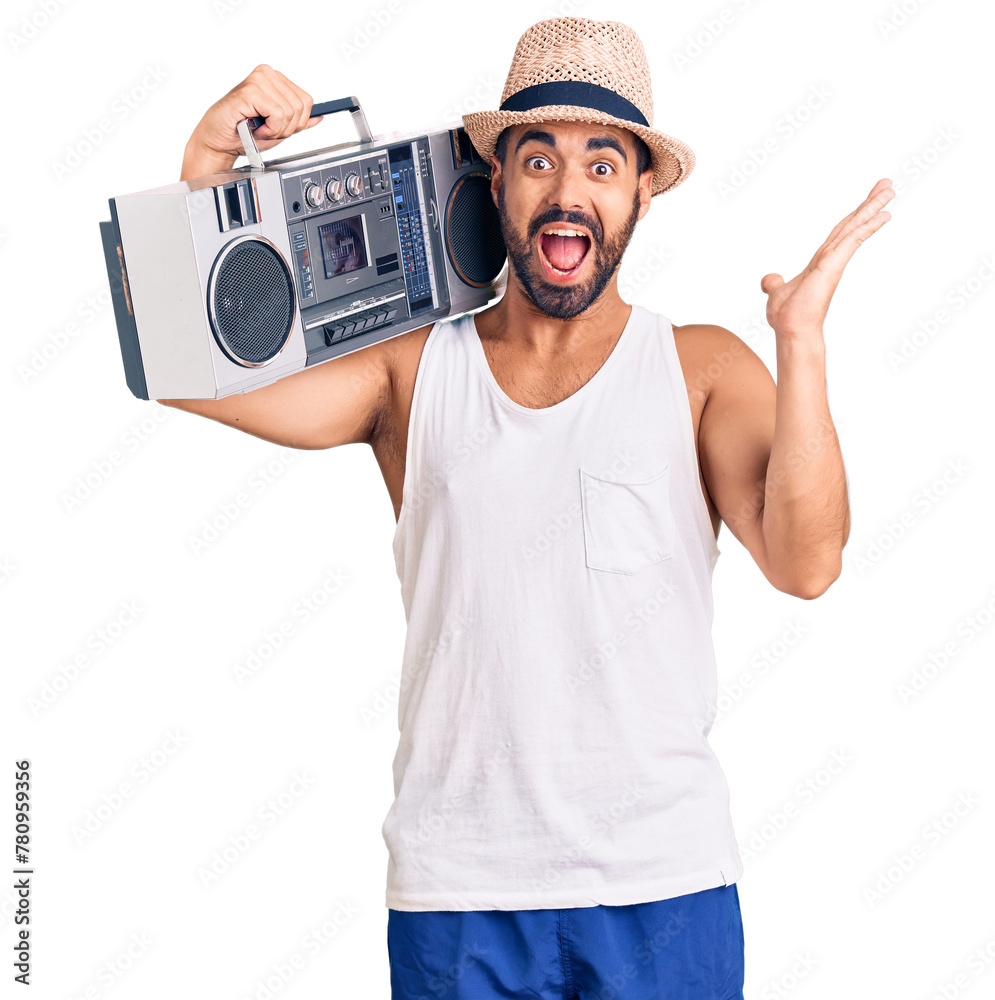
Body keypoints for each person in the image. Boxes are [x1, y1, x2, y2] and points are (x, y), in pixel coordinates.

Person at [162, 17, 894, 1000]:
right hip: (456, 897)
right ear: (495, 180)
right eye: (536, 157)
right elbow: (185, 370)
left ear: (640, 189)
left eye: (601, 163)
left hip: (662, 890)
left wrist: (800, 344)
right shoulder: (410, 369)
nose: (566, 189)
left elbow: (807, 562)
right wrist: (207, 162)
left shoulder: (703, 367)